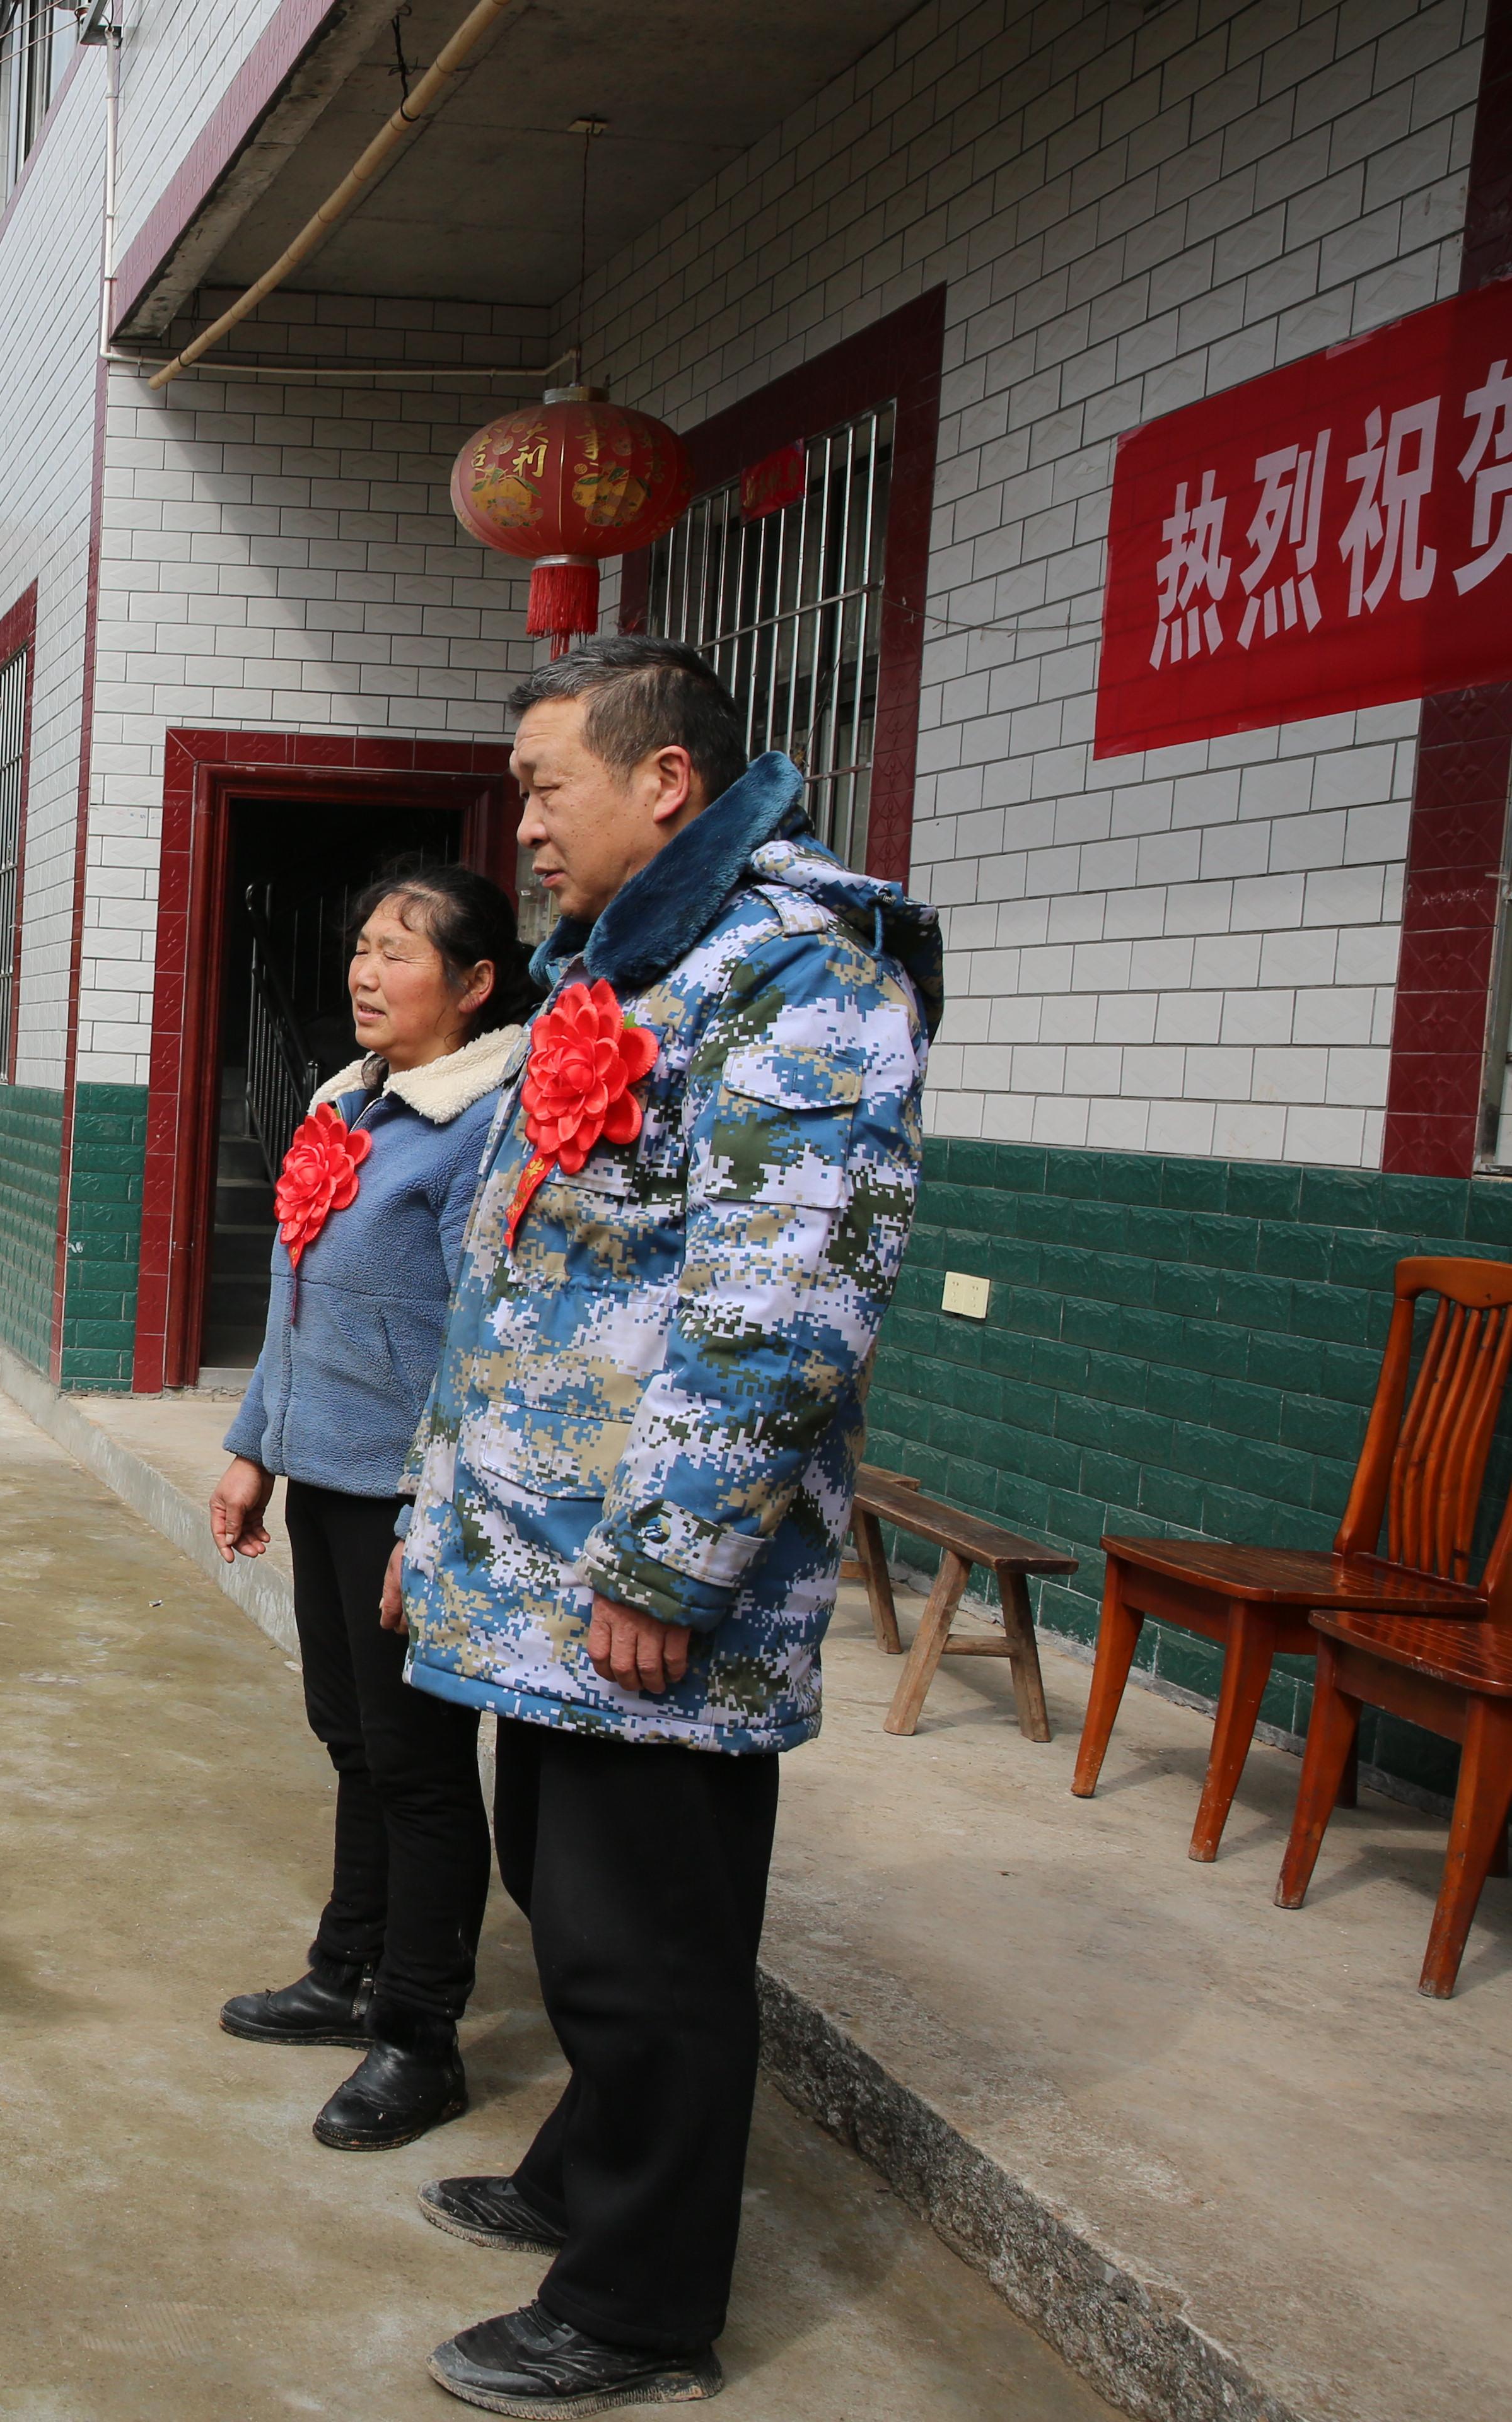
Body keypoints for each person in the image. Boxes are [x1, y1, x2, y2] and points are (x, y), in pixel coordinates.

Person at [395, 637, 935, 2417]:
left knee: (652, 1952)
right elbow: (515, 1276)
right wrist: (440, 1508)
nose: (525, 828)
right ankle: (577, 2180)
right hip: (541, 1567)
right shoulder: (623, 973)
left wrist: (666, 1562)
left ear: (668, 785)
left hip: (648, 1592)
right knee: (569, 1909)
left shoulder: (800, 984)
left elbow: (780, 1305)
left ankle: (637, 2305)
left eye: (550, 788)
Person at [206, 865, 528, 2153]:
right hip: (326, 1480)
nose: (365, 971)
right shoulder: (354, 1106)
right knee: (353, 1741)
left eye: (401, 952)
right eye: (361, 946)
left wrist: (431, 1518)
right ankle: (347, 1970)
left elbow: (481, 1343)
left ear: (475, 984)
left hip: (403, 1496)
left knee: (422, 1769)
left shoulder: (479, 1128)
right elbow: (297, 1299)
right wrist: (252, 1449)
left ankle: (418, 2034)